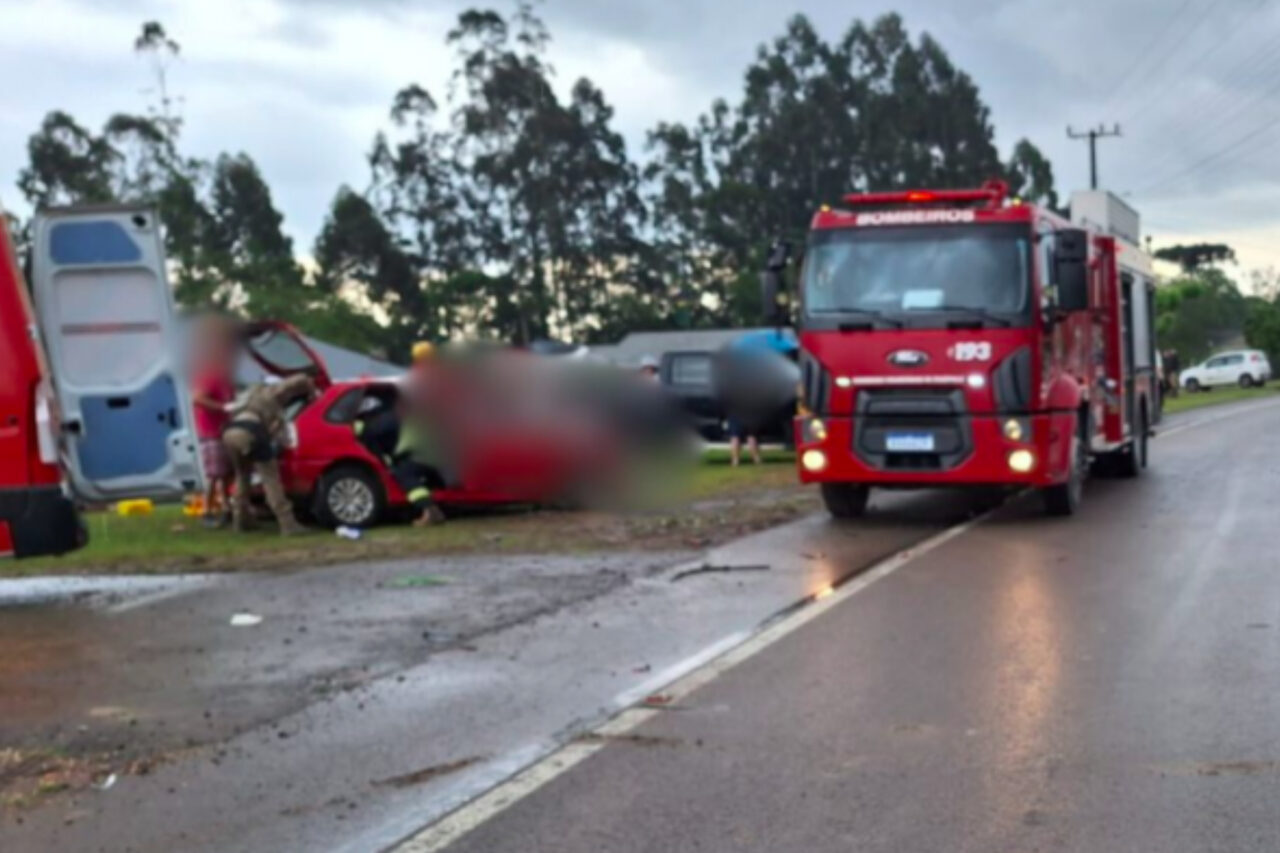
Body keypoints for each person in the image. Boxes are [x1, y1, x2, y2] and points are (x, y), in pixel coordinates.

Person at [221, 374, 316, 536]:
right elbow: (301, 379)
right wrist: (312, 390)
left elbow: (274, 433)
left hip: (230, 432)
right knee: (271, 479)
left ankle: (241, 520)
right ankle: (288, 524)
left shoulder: (249, 395)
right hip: (251, 430)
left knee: (242, 476)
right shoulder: (271, 392)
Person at [190, 315, 238, 528]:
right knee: (214, 473)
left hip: (224, 430)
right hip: (209, 431)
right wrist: (222, 408)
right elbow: (198, 398)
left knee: (226, 472)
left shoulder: (226, 378)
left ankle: (227, 508)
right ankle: (207, 511)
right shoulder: (211, 374)